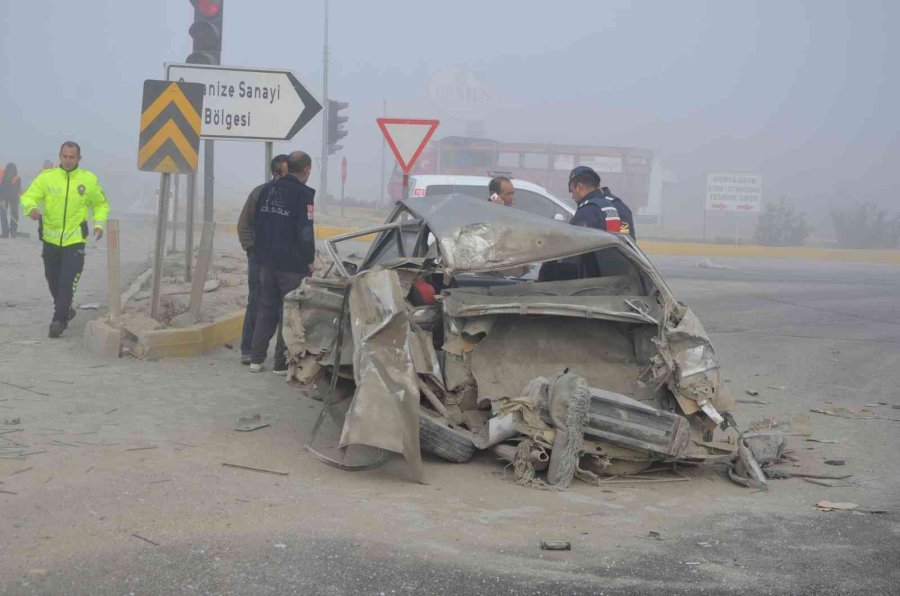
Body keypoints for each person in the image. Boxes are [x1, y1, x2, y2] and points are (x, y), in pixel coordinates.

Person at [19, 142, 110, 338]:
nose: (68, 160)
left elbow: (101, 205)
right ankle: (66, 309)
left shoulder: (89, 180)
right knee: (52, 280)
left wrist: (99, 224)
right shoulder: (46, 178)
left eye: (72, 157)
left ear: (79, 159)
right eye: (65, 156)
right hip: (50, 241)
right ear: (60, 156)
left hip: (75, 241)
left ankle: (58, 320)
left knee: (66, 282)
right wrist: (31, 209)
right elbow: (28, 197)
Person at [248, 151, 316, 373]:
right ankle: (280, 363)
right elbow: (305, 230)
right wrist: (309, 259)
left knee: (265, 309)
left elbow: (257, 224)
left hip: (266, 262)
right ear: (305, 169)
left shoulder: (267, 190)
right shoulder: (303, 194)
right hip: (291, 266)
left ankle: (256, 360)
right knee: (288, 313)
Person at [236, 154, 289, 365]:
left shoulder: (294, 195)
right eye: (286, 172)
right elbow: (244, 224)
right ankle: (248, 349)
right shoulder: (260, 193)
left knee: (281, 306)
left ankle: (280, 356)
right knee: (256, 301)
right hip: (259, 258)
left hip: (284, 262)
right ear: (275, 173)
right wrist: (252, 250)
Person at [0, 163, 22, 239]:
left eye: (12, 171)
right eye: (9, 171)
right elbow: (1, 190)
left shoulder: (17, 179)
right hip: (4, 197)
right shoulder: (3, 178)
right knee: (3, 214)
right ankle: (5, 233)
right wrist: (2, 200)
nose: (11, 173)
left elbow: (14, 192)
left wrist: (4, 198)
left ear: (14, 171)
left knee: (14, 213)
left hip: (14, 198)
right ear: (7, 171)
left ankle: (13, 231)